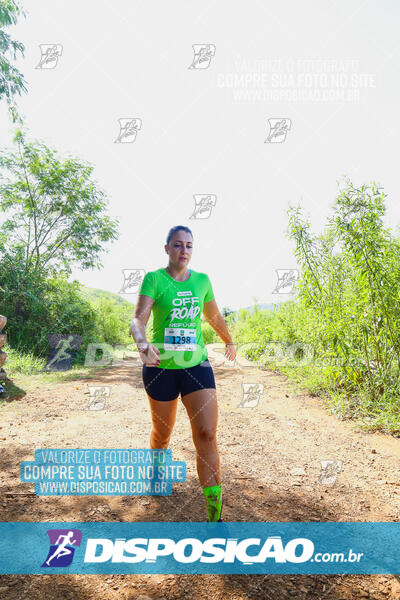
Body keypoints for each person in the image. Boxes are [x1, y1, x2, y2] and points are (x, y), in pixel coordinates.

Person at [130, 225, 236, 522]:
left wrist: (228, 339)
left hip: (196, 366)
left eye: (189, 245)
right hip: (160, 368)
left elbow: (212, 314)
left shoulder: (202, 281)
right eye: (177, 245)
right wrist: (142, 343)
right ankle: (155, 468)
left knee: (206, 433)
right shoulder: (154, 279)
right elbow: (138, 320)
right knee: (163, 434)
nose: (184, 251)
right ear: (167, 249)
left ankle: (214, 515)